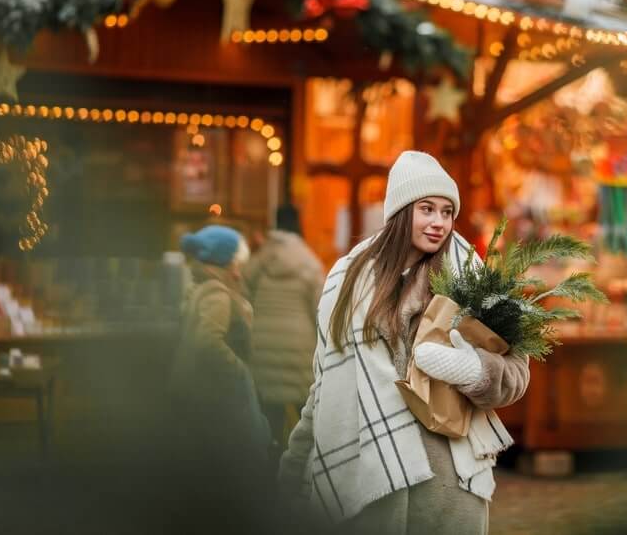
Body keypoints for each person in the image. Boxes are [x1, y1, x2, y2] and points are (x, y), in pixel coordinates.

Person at [279, 151, 530, 534]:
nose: (439, 223)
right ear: (400, 211)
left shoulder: (472, 280)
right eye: (427, 209)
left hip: (447, 490)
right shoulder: (347, 281)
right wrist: (293, 471)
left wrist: (475, 370)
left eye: (447, 212)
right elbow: (327, 383)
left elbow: (518, 371)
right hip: (370, 485)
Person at [169, 225, 272, 531]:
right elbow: (207, 341)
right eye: (235, 264)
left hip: (202, 400)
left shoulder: (202, 288)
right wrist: (239, 370)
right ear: (224, 262)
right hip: (216, 400)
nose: (239, 272)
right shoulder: (216, 292)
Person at [242, 204, 325, 443]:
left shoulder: (261, 257)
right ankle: (301, 466)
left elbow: (243, 290)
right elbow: (320, 308)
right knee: (305, 414)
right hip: (299, 347)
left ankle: (269, 463)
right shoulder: (309, 260)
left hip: (263, 343)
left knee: (269, 418)